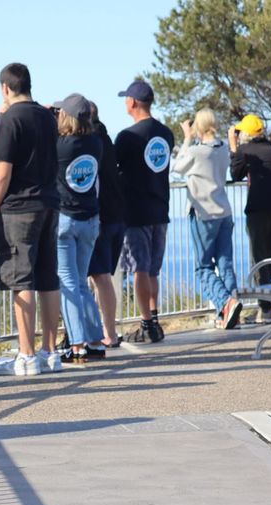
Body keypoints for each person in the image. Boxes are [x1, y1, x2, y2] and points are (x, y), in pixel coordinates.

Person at [0, 63, 62, 376]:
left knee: (22, 280)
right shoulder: (47, 117)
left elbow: (2, 172)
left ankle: (26, 356)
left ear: (5, 88)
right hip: (49, 201)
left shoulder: (9, 120)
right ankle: (50, 351)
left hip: (19, 207)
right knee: (48, 278)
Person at [115, 80, 174, 343]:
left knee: (140, 268)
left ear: (133, 103)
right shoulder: (166, 133)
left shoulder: (127, 137)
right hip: (160, 207)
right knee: (153, 270)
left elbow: (115, 169)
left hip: (136, 210)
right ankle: (155, 318)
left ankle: (146, 323)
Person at [172, 108, 242, 329]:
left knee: (203, 268)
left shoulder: (197, 151)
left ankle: (226, 303)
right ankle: (231, 315)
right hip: (224, 211)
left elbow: (177, 167)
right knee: (225, 264)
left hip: (203, 213)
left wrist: (186, 138)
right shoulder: (222, 149)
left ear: (198, 127)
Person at [52, 94, 104, 363]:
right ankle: (96, 340)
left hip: (65, 219)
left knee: (69, 284)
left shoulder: (60, 146)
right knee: (82, 283)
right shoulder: (95, 143)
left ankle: (77, 345)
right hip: (90, 219)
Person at [229, 113, 271, 325]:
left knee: (259, 258)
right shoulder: (270, 149)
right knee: (270, 257)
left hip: (260, 209)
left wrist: (233, 145)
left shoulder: (245, 150)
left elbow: (235, 173)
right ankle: (266, 306)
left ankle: (265, 310)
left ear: (245, 134)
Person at [86, 102, 124, 348]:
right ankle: (102, 329)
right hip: (118, 214)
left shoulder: (90, 143)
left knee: (100, 277)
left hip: (102, 217)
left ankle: (108, 332)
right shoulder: (106, 139)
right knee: (98, 277)